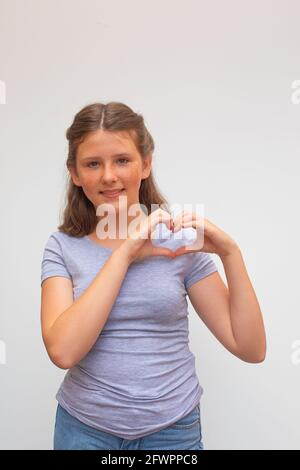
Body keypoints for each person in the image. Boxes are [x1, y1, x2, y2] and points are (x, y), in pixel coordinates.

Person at [40, 101, 266, 451]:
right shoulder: (62, 246)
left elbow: (250, 348)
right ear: (75, 172)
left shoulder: (178, 240)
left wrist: (230, 253)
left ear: (145, 164)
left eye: (122, 160)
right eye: (93, 164)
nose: (109, 176)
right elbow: (63, 352)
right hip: (85, 430)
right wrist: (127, 252)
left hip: (172, 430)